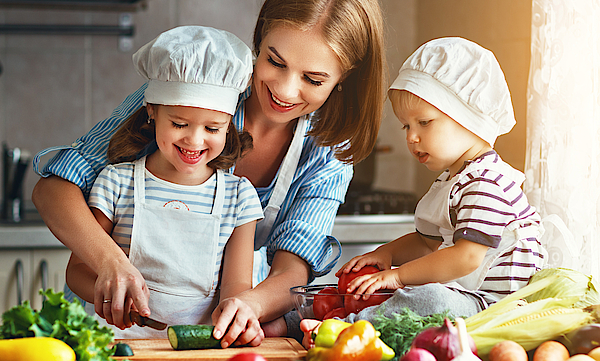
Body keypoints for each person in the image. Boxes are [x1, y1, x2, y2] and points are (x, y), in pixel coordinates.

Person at [31, 0, 386, 347]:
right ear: (259, 40)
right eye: (275, 61)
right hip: (103, 327)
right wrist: (111, 264)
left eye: (313, 78)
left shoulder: (329, 148)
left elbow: (291, 270)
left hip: (202, 334)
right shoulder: (192, 84)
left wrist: (248, 306)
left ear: (344, 78)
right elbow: (54, 189)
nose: (284, 89)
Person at [301, 37, 548, 347]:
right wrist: (386, 254)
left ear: (469, 118)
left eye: (424, 122)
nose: (412, 137)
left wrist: (399, 276)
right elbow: (425, 243)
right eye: (406, 126)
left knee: (427, 297)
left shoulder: (487, 182)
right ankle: (321, 318)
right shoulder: (453, 180)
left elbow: (467, 257)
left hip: (495, 307)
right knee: (413, 293)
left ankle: (343, 329)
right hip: (465, 296)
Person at [64, 26, 264, 339]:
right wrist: (110, 296)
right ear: (152, 111)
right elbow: (77, 271)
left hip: (196, 350)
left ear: (229, 124)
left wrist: (236, 318)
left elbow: (236, 289)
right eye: (179, 123)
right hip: (118, 342)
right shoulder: (117, 183)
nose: (194, 141)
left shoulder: (239, 198)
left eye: (213, 128)